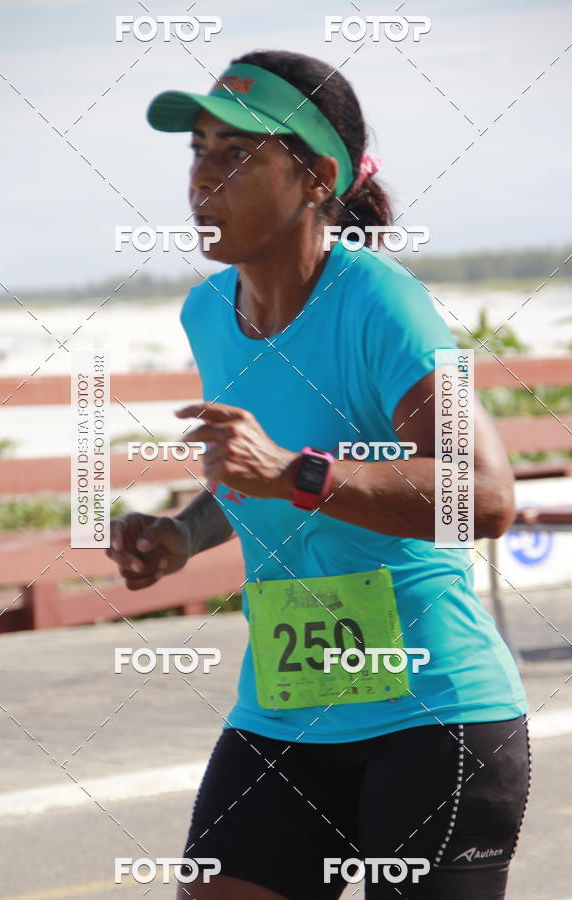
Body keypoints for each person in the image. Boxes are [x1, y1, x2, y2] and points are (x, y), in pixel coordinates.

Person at [106, 50, 530, 900]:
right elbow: (254, 474)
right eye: (198, 149)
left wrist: (300, 473)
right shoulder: (206, 313)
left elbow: (485, 498)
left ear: (314, 178)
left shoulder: (380, 303)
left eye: (238, 154)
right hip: (287, 711)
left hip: (434, 716)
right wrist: (181, 535)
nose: (203, 178)